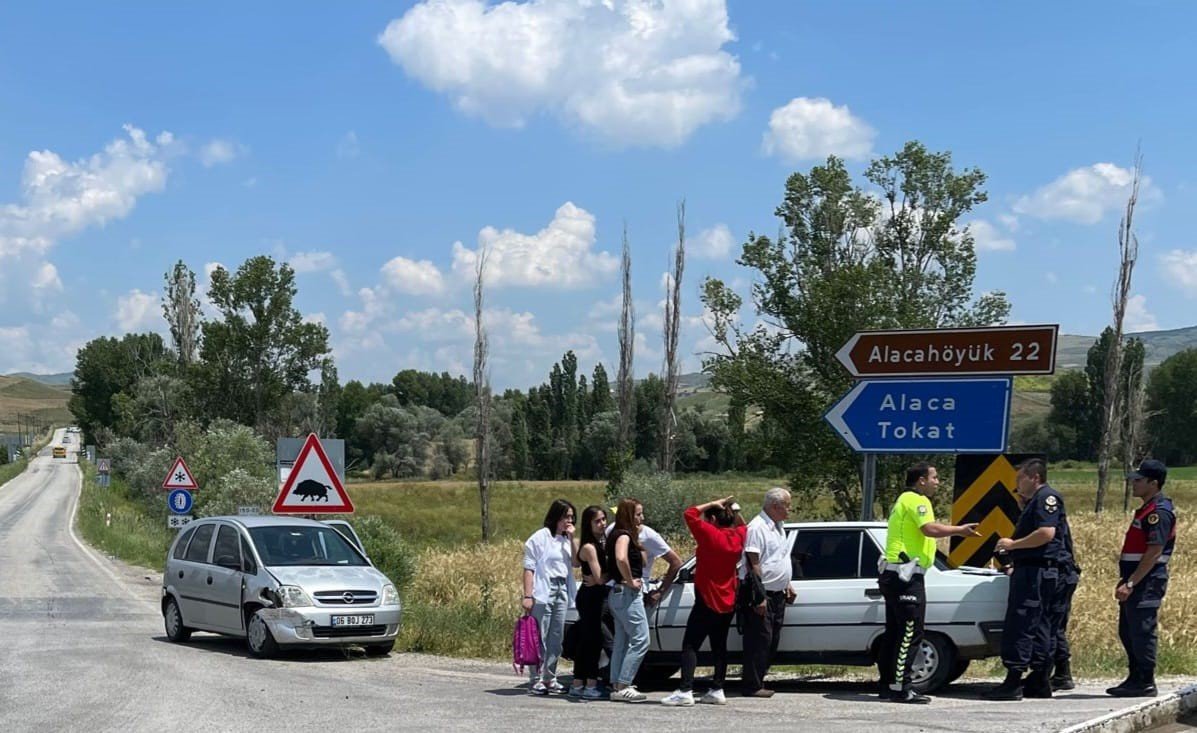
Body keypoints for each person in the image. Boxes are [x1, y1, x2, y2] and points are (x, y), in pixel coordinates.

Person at [878, 462, 980, 704]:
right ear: (921, 480)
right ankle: (902, 687)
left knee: (895, 632)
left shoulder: (904, 499)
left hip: (896, 574)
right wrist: (960, 530)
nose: (937, 482)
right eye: (934, 477)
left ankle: (888, 684)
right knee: (909, 632)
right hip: (905, 576)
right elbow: (929, 529)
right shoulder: (917, 500)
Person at [986, 459, 1074, 701]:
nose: (1017, 484)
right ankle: (1038, 679)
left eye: (1020, 479)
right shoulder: (1035, 501)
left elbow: (1046, 534)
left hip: (1035, 572)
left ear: (1034, 477)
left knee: (1022, 622)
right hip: (1036, 570)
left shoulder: (1046, 498)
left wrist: (1013, 544)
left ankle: (1014, 681)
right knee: (1040, 625)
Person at [661, 497, 747, 707]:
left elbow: (689, 513)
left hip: (707, 597)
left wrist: (714, 503)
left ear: (713, 520)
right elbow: (743, 525)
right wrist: (733, 508)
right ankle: (717, 688)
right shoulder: (737, 536)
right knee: (719, 645)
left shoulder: (710, 534)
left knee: (690, 644)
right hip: (728, 598)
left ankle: (685, 689)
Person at [1108, 459, 1176, 698]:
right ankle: (1135, 677)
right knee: (1128, 630)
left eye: (1138, 480)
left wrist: (1131, 582)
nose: (1133, 484)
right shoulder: (1148, 508)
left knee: (1142, 631)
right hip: (1136, 578)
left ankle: (1145, 681)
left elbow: (1154, 552)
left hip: (1146, 581)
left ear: (1153, 483)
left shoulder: (1159, 512)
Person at [740, 487, 794, 698]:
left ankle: (760, 678)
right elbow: (753, 563)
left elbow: (778, 558)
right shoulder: (757, 528)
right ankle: (751, 685)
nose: (790, 510)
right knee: (759, 640)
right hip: (763, 593)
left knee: (771, 639)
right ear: (774, 506)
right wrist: (759, 595)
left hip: (778, 592)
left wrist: (787, 583)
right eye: (787, 505)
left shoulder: (779, 527)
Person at [521, 498, 577, 695]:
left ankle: (550, 678)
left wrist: (572, 539)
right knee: (540, 635)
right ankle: (535, 678)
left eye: (571, 518)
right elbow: (529, 568)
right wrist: (528, 596)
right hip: (544, 590)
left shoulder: (567, 540)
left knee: (556, 636)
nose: (568, 521)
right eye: (565, 517)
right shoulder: (540, 538)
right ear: (555, 517)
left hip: (562, 588)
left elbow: (577, 563)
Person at [606, 498, 650, 703]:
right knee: (641, 639)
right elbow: (621, 558)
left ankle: (616, 685)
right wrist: (631, 581)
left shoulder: (616, 534)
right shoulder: (623, 536)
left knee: (622, 641)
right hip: (627, 593)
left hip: (617, 594)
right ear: (628, 516)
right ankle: (624, 684)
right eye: (638, 514)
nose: (642, 518)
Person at [569, 505, 610, 701]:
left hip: (594, 595)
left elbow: (577, 563)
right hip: (591, 597)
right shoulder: (590, 547)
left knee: (589, 639)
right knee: (593, 641)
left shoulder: (598, 542)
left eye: (604, 519)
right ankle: (589, 683)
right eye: (597, 521)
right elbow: (600, 577)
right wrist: (616, 574)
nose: (602, 524)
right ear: (589, 524)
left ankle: (579, 682)